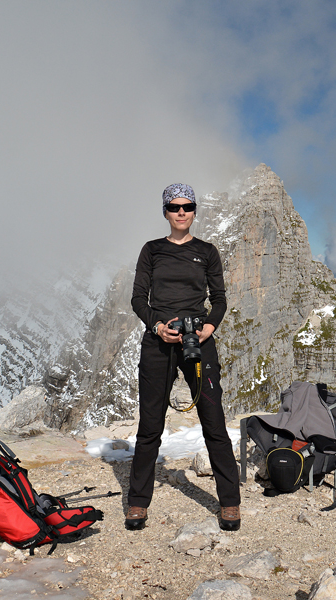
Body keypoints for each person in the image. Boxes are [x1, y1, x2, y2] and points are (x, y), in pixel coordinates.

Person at [125, 183, 241, 532]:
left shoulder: (207, 252)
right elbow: (138, 298)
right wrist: (158, 326)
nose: (181, 212)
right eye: (174, 207)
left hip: (198, 341)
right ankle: (137, 502)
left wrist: (209, 327)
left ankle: (230, 502)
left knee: (213, 421)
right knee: (150, 426)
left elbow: (219, 299)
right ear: (165, 211)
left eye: (187, 207)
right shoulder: (152, 250)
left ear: (194, 212)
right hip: (158, 343)